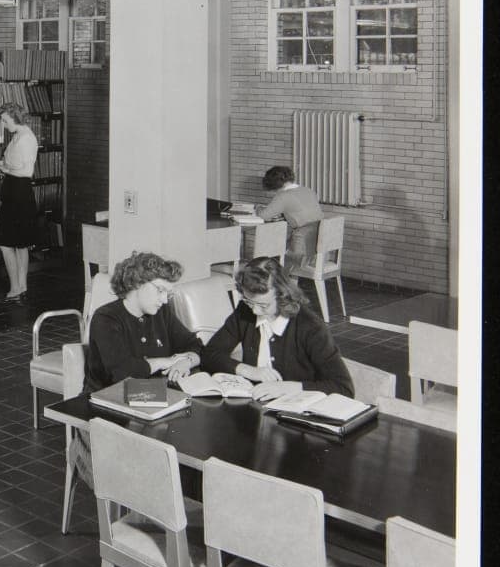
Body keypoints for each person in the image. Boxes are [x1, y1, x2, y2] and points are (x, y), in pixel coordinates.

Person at [200, 256, 353, 401]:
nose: (255, 311)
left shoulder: (310, 327)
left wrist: (290, 388)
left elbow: (344, 388)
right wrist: (247, 370)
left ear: (282, 296)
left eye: (263, 305)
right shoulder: (245, 310)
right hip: (257, 403)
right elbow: (209, 354)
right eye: (249, 302)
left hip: (297, 411)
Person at [84, 251, 204, 393]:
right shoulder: (105, 318)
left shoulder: (162, 312)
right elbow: (122, 372)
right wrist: (166, 362)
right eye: (160, 290)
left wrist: (186, 362)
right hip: (107, 397)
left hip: (151, 395)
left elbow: (196, 345)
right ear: (137, 283)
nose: (165, 300)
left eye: (168, 293)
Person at [0, 102, 38, 303]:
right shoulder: (17, 137)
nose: (2, 124)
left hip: (19, 193)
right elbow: (10, 164)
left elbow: (25, 171)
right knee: (19, 244)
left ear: (15, 117)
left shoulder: (26, 139)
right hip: (14, 192)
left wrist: (3, 169)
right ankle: (21, 288)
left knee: (6, 243)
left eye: (4, 120)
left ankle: (15, 289)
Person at [259, 165, 323, 271]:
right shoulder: (307, 190)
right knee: (282, 250)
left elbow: (263, 215)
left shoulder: (283, 196)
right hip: (318, 249)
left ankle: (280, 280)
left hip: (301, 250)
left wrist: (258, 208)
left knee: (274, 260)